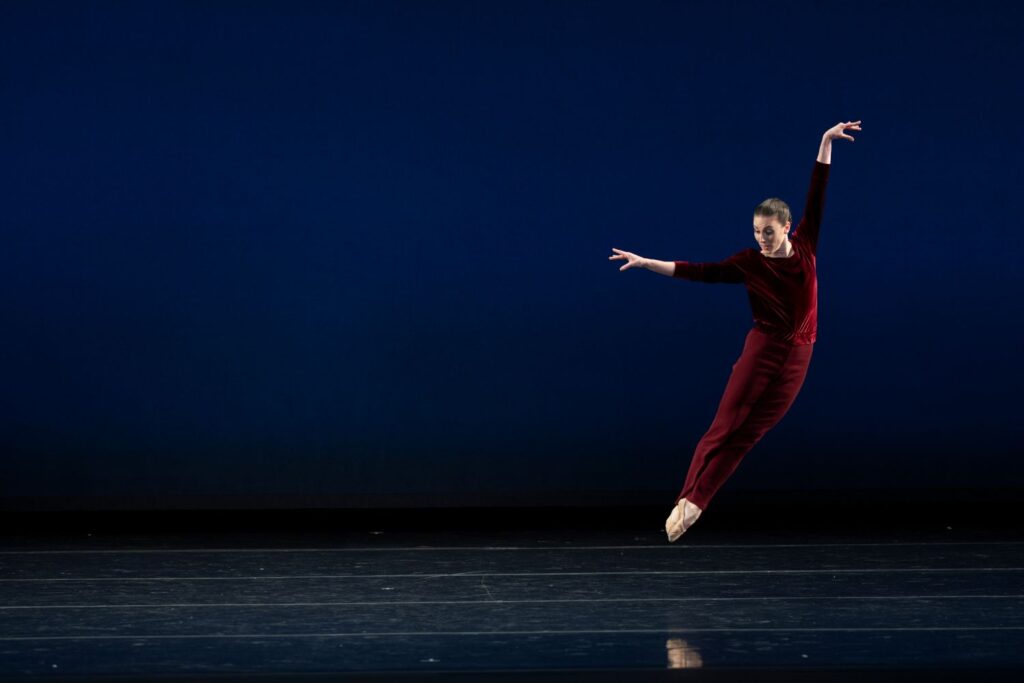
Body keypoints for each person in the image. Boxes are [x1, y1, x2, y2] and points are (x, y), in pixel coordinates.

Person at [609, 120, 862, 542]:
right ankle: (685, 496)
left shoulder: (806, 245)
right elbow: (700, 272)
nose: (761, 238)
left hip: (800, 356)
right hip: (762, 351)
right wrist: (647, 262)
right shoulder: (749, 262)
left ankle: (696, 503)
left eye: (768, 231)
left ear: (786, 228)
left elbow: (818, 192)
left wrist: (824, 142)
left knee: (750, 434)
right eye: (756, 231)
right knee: (724, 426)